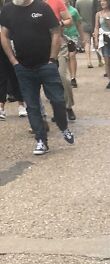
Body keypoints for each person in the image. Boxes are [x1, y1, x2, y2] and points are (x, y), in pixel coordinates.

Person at [0, 0, 75, 153]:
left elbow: (55, 31)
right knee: (32, 106)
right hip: (23, 67)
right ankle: (41, 140)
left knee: (58, 100)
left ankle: (63, 127)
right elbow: (4, 35)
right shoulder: (8, 10)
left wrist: (52, 59)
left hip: (46, 64)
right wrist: (13, 61)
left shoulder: (42, 7)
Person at [0, 23, 27, 116]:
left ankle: (21, 105)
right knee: (2, 78)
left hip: (13, 44)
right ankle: (1, 107)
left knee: (16, 76)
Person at [64, 1, 81, 85]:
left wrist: (82, 36)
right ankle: (71, 75)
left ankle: (73, 77)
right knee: (67, 56)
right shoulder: (60, 10)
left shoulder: (73, 11)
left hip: (73, 35)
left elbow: (78, 24)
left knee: (72, 55)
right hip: (63, 35)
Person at [76, 0, 97, 65]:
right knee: (96, 42)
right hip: (94, 24)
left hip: (83, 25)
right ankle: (99, 60)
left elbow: (77, 14)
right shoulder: (93, 1)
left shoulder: (78, 2)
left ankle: (89, 61)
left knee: (87, 43)